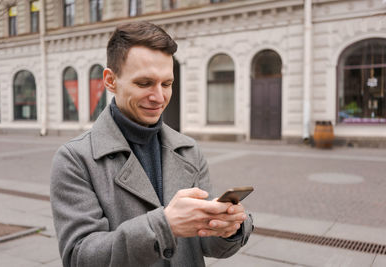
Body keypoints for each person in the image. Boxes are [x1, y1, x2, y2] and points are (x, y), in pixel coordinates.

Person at [50, 21, 254, 267]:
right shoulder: (75, 158)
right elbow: (80, 257)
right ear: (110, 80)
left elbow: (206, 243)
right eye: (144, 83)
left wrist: (226, 228)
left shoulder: (188, 150)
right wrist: (164, 226)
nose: (159, 97)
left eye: (166, 84)